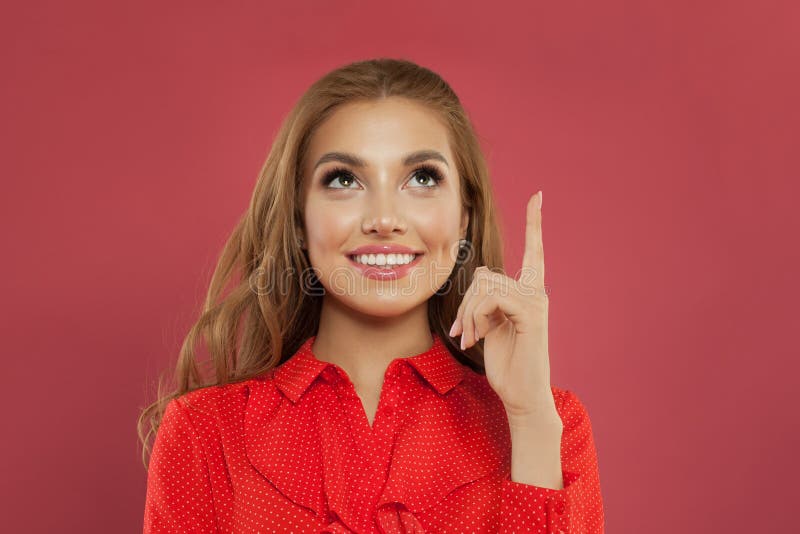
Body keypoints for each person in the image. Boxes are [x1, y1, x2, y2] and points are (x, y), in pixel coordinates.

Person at [139, 57, 605, 533]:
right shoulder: (204, 432)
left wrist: (528, 421)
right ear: (299, 221)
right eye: (344, 179)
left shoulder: (553, 426)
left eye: (422, 178)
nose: (384, 218)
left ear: (465, 216)